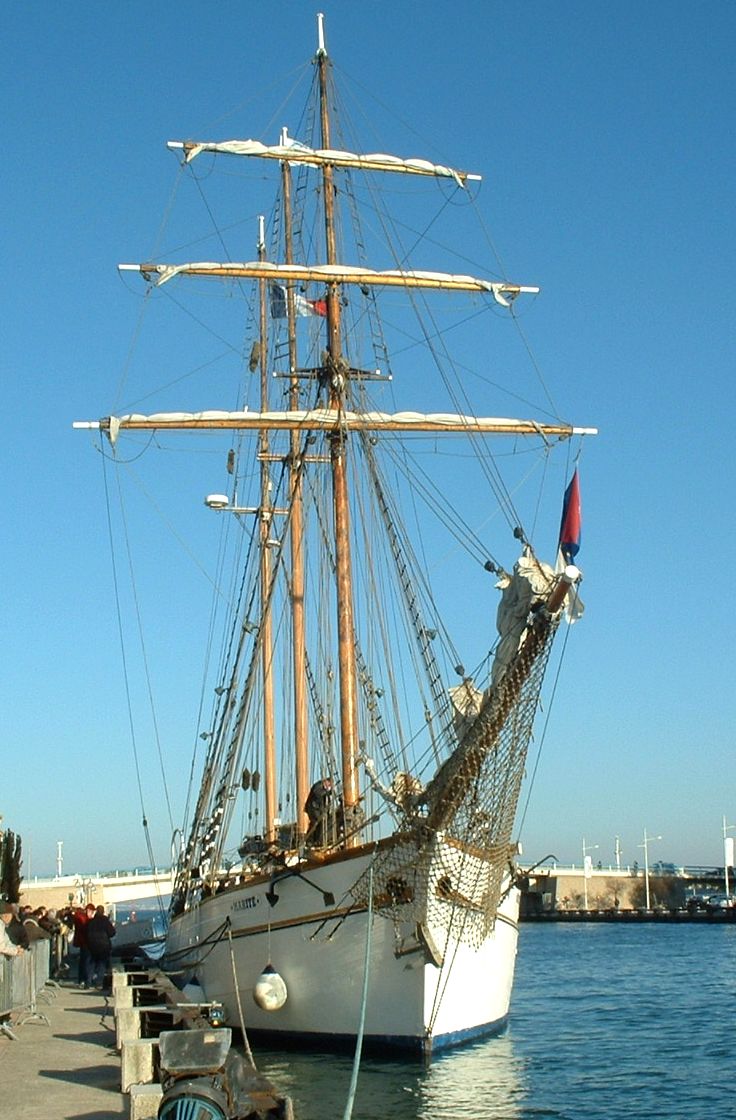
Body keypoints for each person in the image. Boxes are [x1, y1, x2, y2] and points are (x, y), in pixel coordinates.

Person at [85, 906, 116, 990]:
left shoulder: (91, 922)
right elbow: (112, 933)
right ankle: (99, 982)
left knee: (91, 964)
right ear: (103, 912)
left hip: (92, 945)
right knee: (102, 964)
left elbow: (86, 932)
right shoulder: (105, 921)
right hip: (103, 945)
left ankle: (88, 982)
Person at [305, 777, 335, 847]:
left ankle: (317, 840)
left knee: (321, 823)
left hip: (318, 809)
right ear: (326, 782)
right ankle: (310, 840)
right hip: (313, 808)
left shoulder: (324, 789)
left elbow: (326, 801)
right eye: (329, 784)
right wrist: (327, 792)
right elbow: (317, 794)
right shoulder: (318, 785)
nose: (329, 787)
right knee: (315, 823)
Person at [73, 903, 96, 988]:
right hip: (87, 942)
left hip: (82, 942)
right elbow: (85, 929)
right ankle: (87, 981)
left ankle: (82, 980)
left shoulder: (79, 917)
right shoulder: (84, 919)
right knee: (88, 962)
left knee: (83, 961)